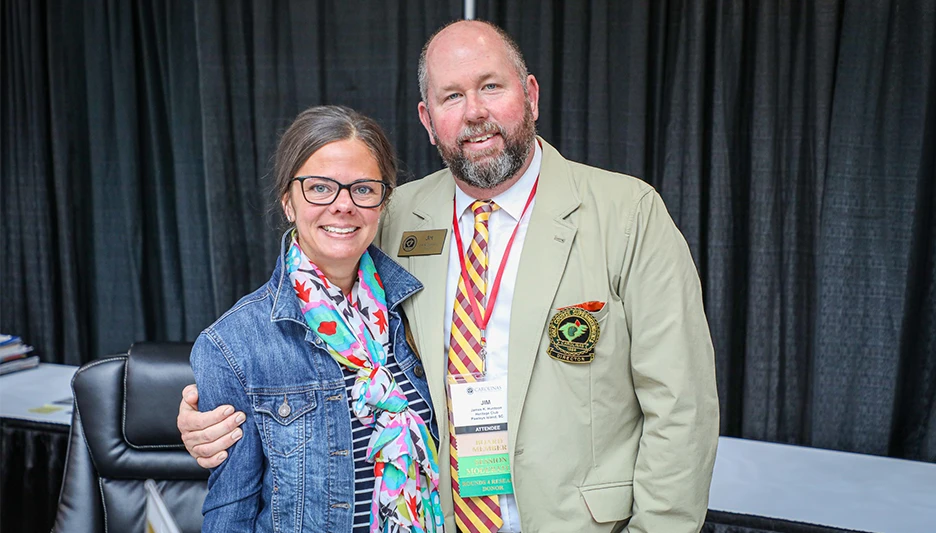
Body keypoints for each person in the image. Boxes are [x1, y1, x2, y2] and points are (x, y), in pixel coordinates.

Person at [180, 20, 719, 533]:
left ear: (530, 94)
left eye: (491, 86)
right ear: (427, 118)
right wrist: (209, 422)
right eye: (452, 96)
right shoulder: (390, 216)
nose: (475, 112)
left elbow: (681, 407)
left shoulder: (626, 214)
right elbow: (315, 325)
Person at [188, 105, 444, 532]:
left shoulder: (417, 311)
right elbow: (230, 512)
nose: (343, 205)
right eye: (321, 188)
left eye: (363, 189)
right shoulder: (232, 345)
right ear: (288, 202)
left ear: (382, 203)